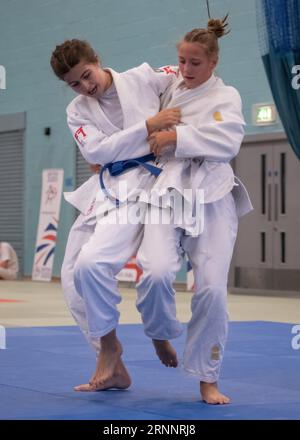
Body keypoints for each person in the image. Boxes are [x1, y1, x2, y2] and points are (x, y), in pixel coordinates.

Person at [50, 39, 181, 391]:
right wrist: (148, 126)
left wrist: (172, 132)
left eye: (87, 75)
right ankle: (110, 355)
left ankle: (116, 348)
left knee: (103, 265)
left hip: (152, 183)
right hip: (110, 185)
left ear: (98, 60)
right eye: (75, 83)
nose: (85, 87)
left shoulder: (143, 77)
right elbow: (95, 149)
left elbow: (188, 71)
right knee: (71, 273)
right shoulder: (76, 110)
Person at [135, 16, 253, 404]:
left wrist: (175, 136)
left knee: (213, 291)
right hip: (170, 187)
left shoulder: (227, 96)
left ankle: (207, 377)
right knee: (155, 271)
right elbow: (127, 90)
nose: (185, 70)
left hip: (212, 190)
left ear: (214, 62)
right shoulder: (168, 86)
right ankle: (160, 333)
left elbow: (228, 140)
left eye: (195, 63)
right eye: (181, 61)